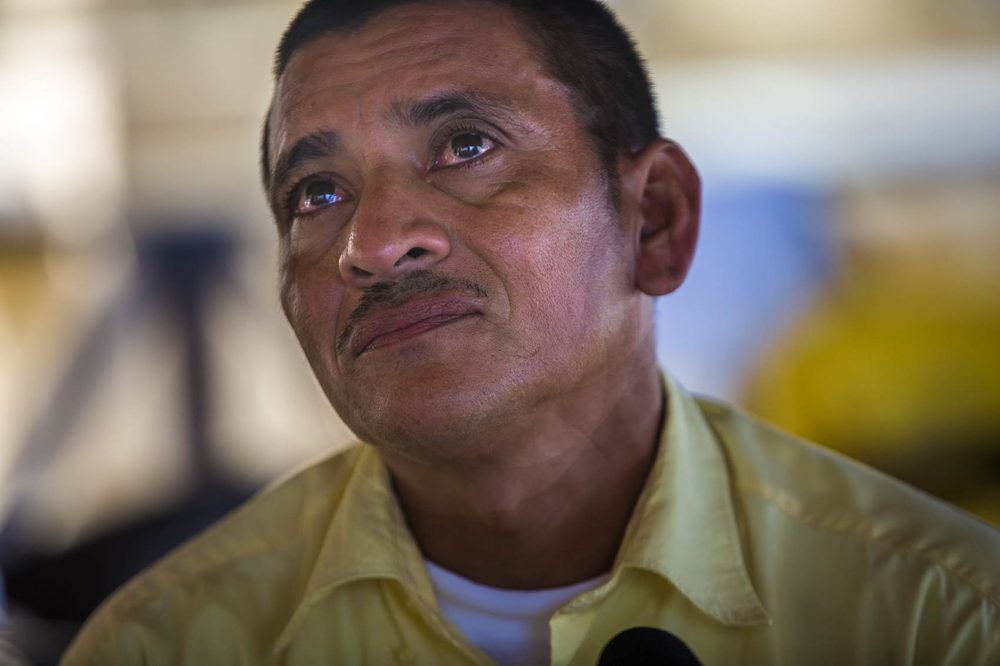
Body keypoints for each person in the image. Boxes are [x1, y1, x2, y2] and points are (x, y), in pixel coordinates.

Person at [64, 0, 1000, 664]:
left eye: (466, 146)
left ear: (657, 220)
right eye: (318, 194)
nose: (376, 244)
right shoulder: (167, 644)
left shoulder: (943, 619)